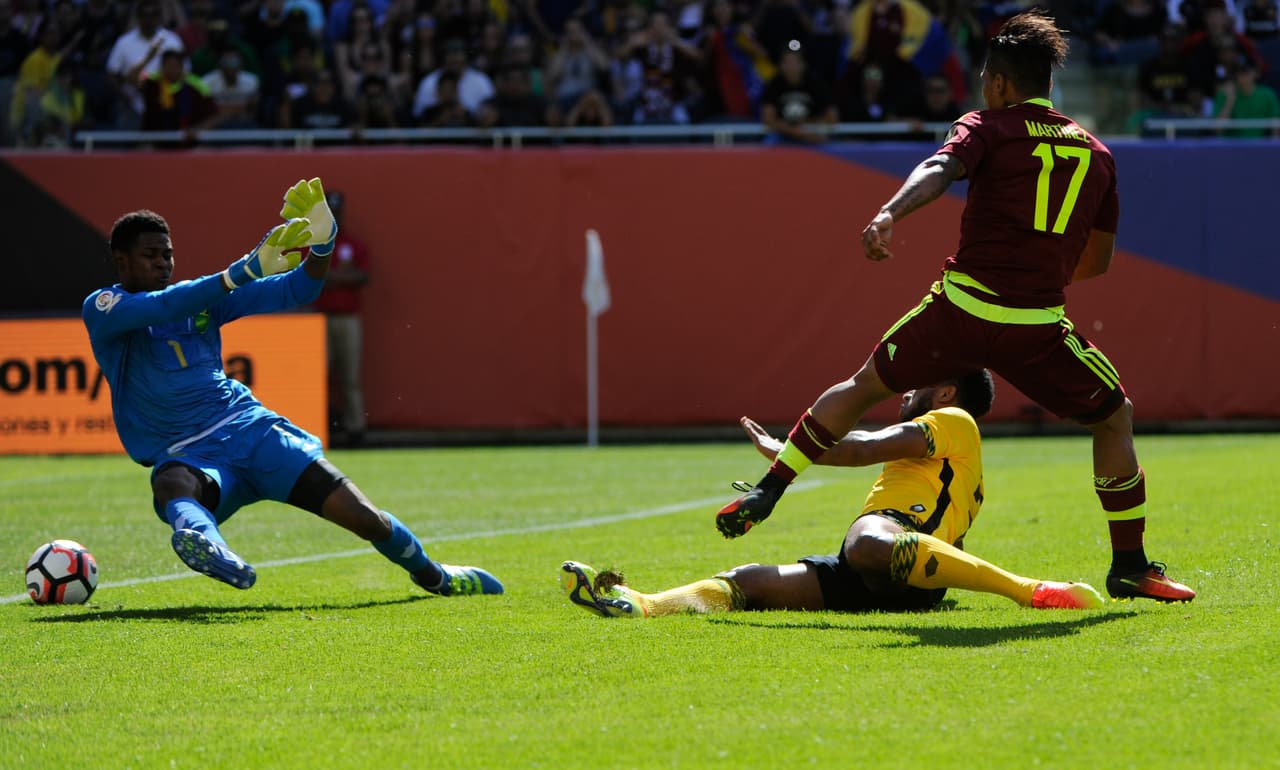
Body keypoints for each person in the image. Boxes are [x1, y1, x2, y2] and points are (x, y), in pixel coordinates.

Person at [716, 11, 1196, 603]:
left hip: (963, 310)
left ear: (997, 84)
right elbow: (1097, 263)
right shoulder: (1097, 153)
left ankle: (768, 489)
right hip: (1036, 326)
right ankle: (1130, 564)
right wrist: (1034, 269)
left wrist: (891, 212)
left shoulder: (986, 126)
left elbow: (940, 167)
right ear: (1048, 84)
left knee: (863, 385)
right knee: (1113, 417)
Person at [82, 178, 502, 598]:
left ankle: (437, 576)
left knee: (365, 518)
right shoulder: (104, 307)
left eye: (167, 254)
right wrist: (241, 271)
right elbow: (162, 306)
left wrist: (323, 245)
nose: (163, 263)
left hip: (252, 431)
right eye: (150, 255)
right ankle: (211, 547)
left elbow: (298, 288)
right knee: (172, 483)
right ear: (121, 261)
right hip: (189, 452)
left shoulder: (202, 300)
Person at [562, 371, 1108, 618]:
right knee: (749, 580)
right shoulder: (941, 443)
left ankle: (1030, 590)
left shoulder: (955, 418)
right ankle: (641, 606)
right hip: (884, 567)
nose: (907, 386)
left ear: (945, 391)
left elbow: (864, 446)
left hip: (895, 549)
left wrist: (790, 450)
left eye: (922, 380)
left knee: (867, 538)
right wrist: (788, 454)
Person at [310, 189, 370, 446]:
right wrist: (340, 277)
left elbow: (363, 276)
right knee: (316, 376)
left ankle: (356, 430)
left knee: (350, 377)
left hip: (347, 318)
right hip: (319, 319)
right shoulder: (316, 244)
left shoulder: (352, 244)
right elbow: (309, 278)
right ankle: (317, 427)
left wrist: (331, 278)